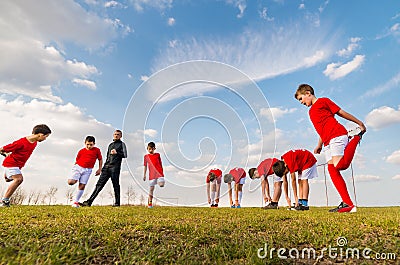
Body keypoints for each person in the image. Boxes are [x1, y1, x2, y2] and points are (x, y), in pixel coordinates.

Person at [295, 84, 366, 213]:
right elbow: (321, 129)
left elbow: (341, 113)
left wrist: (359, 123)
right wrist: (319, 144)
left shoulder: (323, 101)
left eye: (301, 99)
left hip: (337, 134)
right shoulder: (311, 112)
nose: (302, 102)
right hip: (327, 141)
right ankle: (347, 204)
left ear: (308, 93)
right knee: (332, 170)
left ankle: (355, 138)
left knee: (339, 165)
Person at [0, 124, 51, 207]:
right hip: (11, 163)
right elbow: (2, 149)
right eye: (46, 136)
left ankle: (7, 175)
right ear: (40, 134)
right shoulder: (21, 142)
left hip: (17, 165)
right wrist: (5, 154)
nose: (45, 139)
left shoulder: (34, 143)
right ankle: (5, 201)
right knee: (19, 179)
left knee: (9, 180)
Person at [81, 130, 127, 207]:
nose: (116, 135)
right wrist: (103, 167)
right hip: (106, 167)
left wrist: (117, 153)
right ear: (113, 135)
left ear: (121, 136)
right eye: (115, 134)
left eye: (118, 134)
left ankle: (117, 203)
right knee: (99, 185)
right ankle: (89, 202)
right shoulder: (110, 145)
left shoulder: (122, 144)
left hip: (115, 168)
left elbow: (125, 155)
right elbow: (107, 157)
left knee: (115, 185)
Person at [67, 136, 103, 208]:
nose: (89, 146)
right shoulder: (81, 151)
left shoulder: (97, 150)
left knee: (82, 186)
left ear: (94, 144)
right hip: (78, 167)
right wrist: (76, 167)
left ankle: (75, 202)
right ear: (85, 143)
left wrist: (99, 169)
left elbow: (100, 159)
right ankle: (76, 178)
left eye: (91, 144)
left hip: (88, 170)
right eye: (87, 144)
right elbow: (77, 160)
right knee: (70, 182)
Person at [143, 142, 165, 208]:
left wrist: (162, 172)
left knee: (161, 185)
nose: (150, 150)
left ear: (154, 148)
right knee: (151, 189)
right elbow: (145, 166)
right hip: (152, 175)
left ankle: (159, 181)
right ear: (147, 149)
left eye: (151, 149)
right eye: (149, 149)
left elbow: (160, 163)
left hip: (159, 173)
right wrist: (144, 175)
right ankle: (150, 203)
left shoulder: (158, 155)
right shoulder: (146, 157)